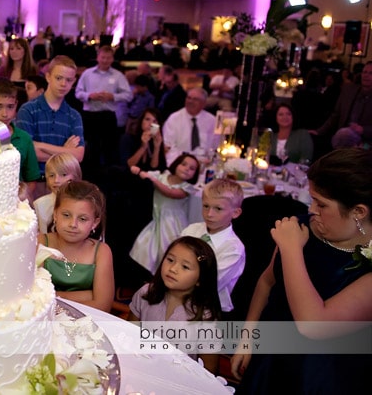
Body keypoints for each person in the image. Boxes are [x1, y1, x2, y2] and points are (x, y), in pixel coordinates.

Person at [230, 148, 372, 394]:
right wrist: (248, 337)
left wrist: (291, 249)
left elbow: (314, 325)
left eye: (321, 204)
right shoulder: (303, 226)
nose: (312, 209)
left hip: (319, 377)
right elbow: (266, 282)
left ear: (358, 212)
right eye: (312, 199)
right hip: (270, 361)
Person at [128, 236, 222, 372]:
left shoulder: (205, 318)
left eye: (185, 267)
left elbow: (209, 371)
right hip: (139, 368)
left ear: (200, 279)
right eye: (170, 260)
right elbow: (130, 337)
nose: (173, 269)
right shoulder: (146, 293)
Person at [39, 180, 114, 312]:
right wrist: (88, 295)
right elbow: (34, 297)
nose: (73, 224)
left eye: (82, 219)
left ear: (95, 223)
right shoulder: (40, 243)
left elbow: (103, 306)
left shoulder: (101, 251)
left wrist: (55, 296)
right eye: (66, 215)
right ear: (55, 214)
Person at [15, 55, 85, 186]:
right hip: (33, 181)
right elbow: (26, 151)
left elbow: (79, 156)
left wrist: (40, 146)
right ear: (48, 77)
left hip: (64, 184)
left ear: (74, 81)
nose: (63, 84)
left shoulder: (74, 116)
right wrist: (65, 152)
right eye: (58, 78)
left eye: (69, 80)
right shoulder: (28, 110)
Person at [180, 178, 246, 314]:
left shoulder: (233, 250)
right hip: (178, 293)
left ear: (235, 213)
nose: (209, 214)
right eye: (205, 206)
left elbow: (207, 285)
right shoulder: (191, 230)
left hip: (209, 308)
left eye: (218, 209)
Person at [128, 152, 200, 275]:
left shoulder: (186, 187)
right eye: (184, 164)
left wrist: (152, 179)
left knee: (167, 248)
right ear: (176, 164)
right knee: (147, 247)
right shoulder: (162, 176)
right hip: (157, 218)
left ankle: (164, 275)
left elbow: (170, 193)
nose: (187, 169)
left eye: (192, 168)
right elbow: (136, 169)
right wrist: (138, 171)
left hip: (173, 222)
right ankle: (149, 277)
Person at [74, 44, 133, 178]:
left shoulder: (118, 76)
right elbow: (78, 92)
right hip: (90, 116)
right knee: (89, 148)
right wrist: (90, 96)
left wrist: (112, 96)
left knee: (109, 149)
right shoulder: (87, 74)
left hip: (108, 117)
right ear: (98, 57)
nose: (105, 60)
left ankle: (108, 178)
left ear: (112, 59)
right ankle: (88, 177)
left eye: (108, 58)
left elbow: (128, 95)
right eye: (103, 57)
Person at [0, 77, 41, 199]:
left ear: (16, 105)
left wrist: (18, 198)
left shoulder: (24, 139)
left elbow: (31, 180)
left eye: (10, 107)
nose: (5, 113)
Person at [312, 60, 372, 149]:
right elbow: (335, 115)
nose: (366, 75)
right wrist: (319, 131)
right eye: (364, 72)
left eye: (371, 73)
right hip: (342, 137)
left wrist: (363, 130)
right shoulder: (349, 90)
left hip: (366, 141)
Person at [162, 87, 217, 165]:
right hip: (179, 163)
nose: (190, 101)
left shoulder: (212, 121)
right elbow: (168, 147)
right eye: (189, 98)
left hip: (205, 164)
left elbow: (216, 147)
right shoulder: (174, 119)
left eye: (195, 99)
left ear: (204, 103)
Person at [33, 152, 82, 233]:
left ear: (75, 176)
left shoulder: (84, 203)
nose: (56, 180)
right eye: (52, 175)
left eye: (63, 175)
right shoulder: (39, 205)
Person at [119, 107, 166, 172]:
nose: (151, 124)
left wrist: (156, 148)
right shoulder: (128, 138)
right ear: (141, 121)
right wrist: (143, 147)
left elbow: (154, 168)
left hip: (147, 178)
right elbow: (128, 165)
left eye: (154, 121)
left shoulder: (156, 140)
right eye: (147, 119)